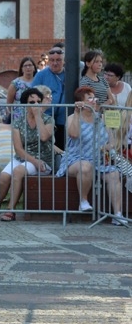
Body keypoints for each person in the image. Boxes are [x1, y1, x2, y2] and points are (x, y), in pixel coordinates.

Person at [57, 87, 126, 223]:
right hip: (75, 159)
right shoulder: (72, 117)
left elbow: (111, 141)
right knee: (85, 166)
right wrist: (77, 113)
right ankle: (83, 201)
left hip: (99, 160)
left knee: (114, 174)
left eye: (94, 97)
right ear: (80, 102)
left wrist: (107, 147)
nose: (94, 101)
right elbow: (74, 134)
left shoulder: (101, 118)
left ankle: (118, 214)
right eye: (89, 98)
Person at [0, 88, 54, 222]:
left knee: (18, 171)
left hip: (43, 159)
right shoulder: (19, 122)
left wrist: (38, 117)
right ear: (25, 104)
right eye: (32, 102)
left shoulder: (48, 120)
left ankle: (10, 210)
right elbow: (18, 149)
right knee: (3, 176)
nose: (35, 105)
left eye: (38, 101)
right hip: (24, 157)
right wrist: (33, 161)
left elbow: (43, 137)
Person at [31, 46, 66, 149]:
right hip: (45, 119)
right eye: (52, 60)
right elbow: (32, 95)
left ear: (64, 61)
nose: (55, 63)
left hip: (63, 120)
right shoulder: (40, 75)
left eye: (58, 60)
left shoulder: (70, 73)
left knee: (61, 150)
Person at [7, 56, 38, 126]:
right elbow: (9, 102)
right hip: (18, 116)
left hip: (35, 115)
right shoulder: (16, 83)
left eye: (30, 65)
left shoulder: (38, 81)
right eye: (25, 66)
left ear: (34, 68)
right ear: (22, 69)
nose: (28, 68)